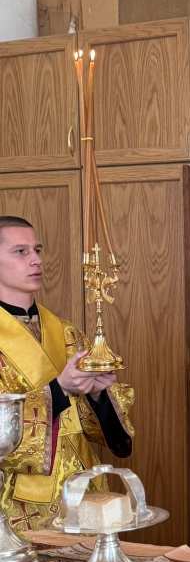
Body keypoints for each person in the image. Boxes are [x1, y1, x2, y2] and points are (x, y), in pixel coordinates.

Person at [0, 217, 134, 530]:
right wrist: (59, 389)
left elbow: (109, 436)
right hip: (20, 504)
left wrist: (98, 394)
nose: (36, 259)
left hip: (85, 492)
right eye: (20, 251)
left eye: (37, 250)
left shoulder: (67, 333)